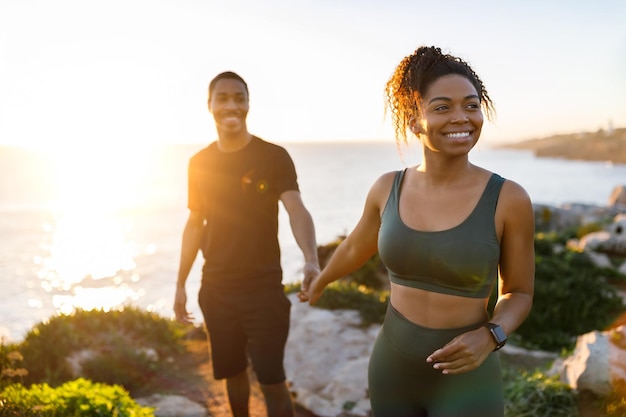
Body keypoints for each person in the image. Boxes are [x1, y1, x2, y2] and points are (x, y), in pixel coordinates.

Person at [299, 46, 535, 417]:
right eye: (442, 107)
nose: (462, 118)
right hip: (392, 367)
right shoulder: (386, 188)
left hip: (467, 375)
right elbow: (355, 247)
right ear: (414, 120)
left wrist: (491, 335)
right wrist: (320, 280)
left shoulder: (508, 199)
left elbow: (519, 291)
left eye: (471, 106)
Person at [174, 71, 320, 417]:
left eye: (239, 97)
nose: (232, 105)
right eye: (222, 98)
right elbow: (195, 223)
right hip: (217, 289)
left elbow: (296, 208)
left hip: (263, 290)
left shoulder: (274, 156)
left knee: (272, 380)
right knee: (233, 373)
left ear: (249, 104)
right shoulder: (199, 163)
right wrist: (180, 284)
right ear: (209, 105)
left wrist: (311, 259)